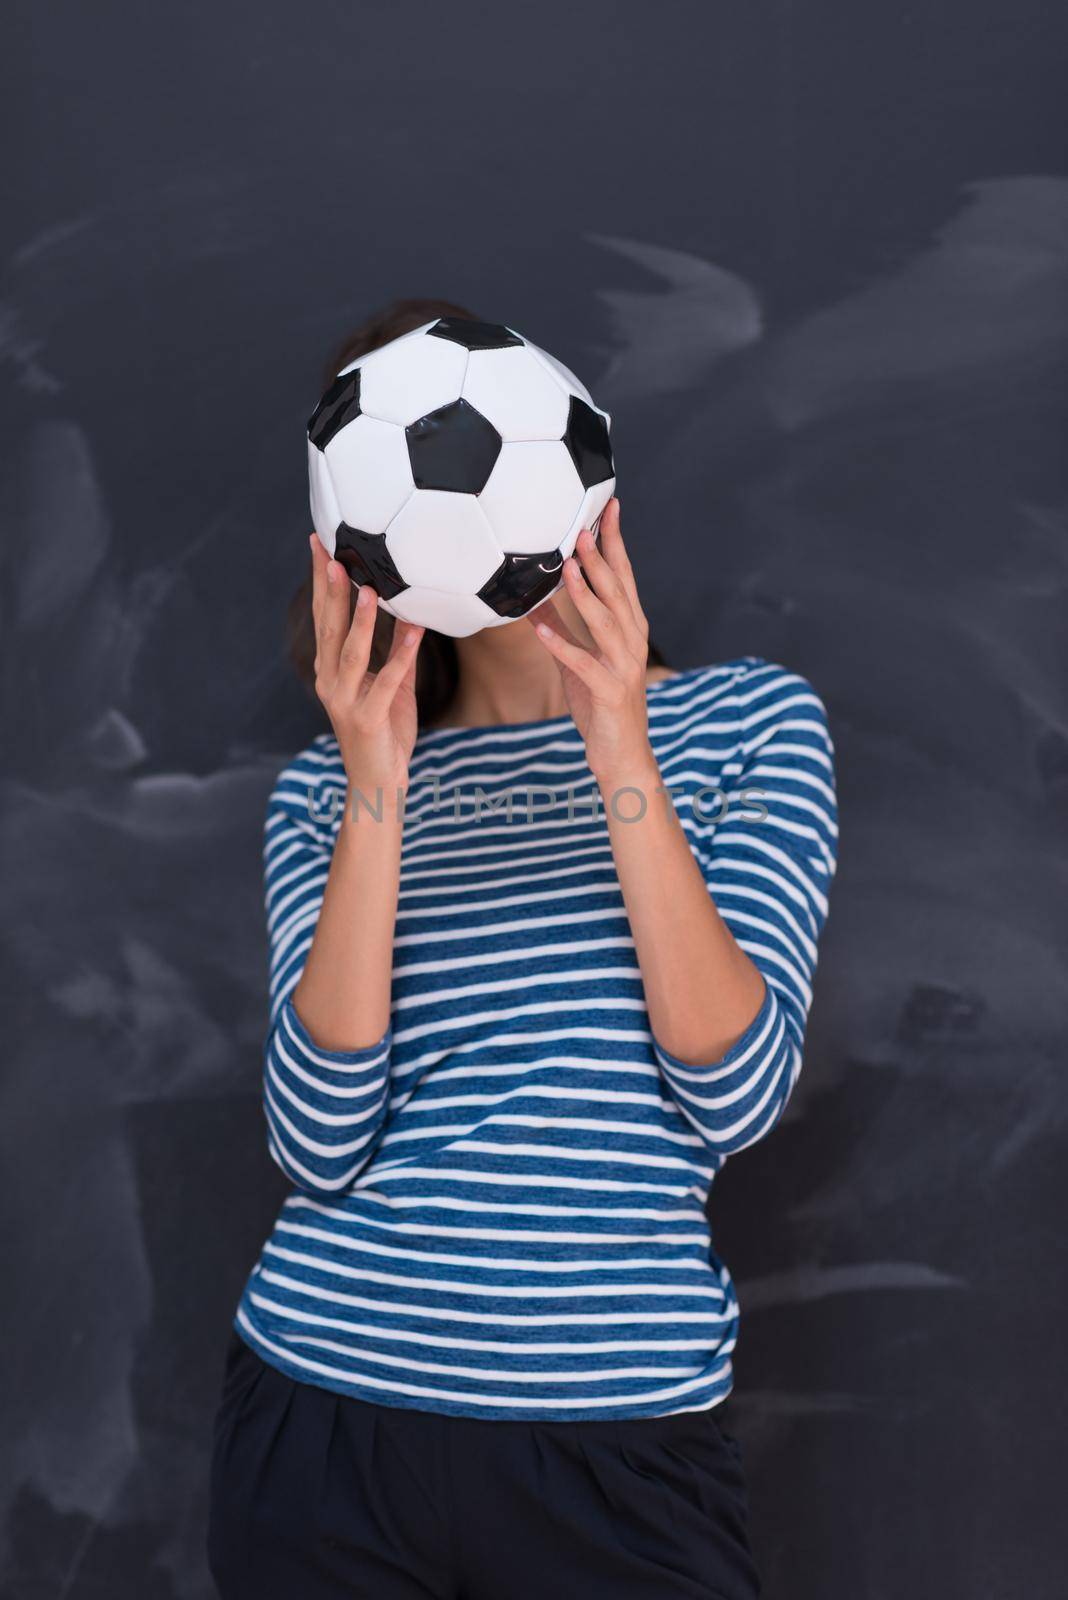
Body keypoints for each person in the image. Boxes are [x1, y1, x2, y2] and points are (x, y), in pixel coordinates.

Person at [206, 299, 838, 1599]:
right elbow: (318, 1141)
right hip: (331, 1418)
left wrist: (618, 736)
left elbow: (733, 1090)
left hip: (620, 1451)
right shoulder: (324, 795)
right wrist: (377, 782)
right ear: (351, 529)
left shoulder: (751, 724)